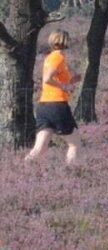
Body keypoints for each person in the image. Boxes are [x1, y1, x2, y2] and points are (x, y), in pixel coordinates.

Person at [24, 29, 81, 164]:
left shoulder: (49, 58)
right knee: (75, 144)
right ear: (65, 41)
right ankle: (71, 174)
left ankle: (22, 169)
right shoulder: (59, 58)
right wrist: (64, 87)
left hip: (44, 106)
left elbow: (56, 79)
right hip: (57, 105)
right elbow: (47, 79)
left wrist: (72, 80)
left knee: (39, 148)